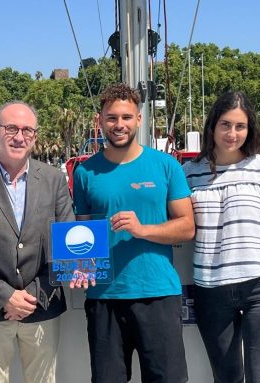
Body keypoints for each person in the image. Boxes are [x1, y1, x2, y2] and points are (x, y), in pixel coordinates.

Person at [72, 83, 195, 383]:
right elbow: (82, 234)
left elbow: (187, 226)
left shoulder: (166, 166)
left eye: (126, 117)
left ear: (139, 119)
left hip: (158, 293)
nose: (119, 125)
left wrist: (142, 229)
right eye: (111, 118)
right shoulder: (84, 172)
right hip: (104, 296)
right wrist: (78, 266)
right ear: (99, 121)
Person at [182, 91, 260, 383]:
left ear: (250, 130)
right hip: (210, 290)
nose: (232, 133)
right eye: (225, 124)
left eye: (240, 126)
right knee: (226, 378)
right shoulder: (188, 173)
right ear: (212, 126)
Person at [0, 101, 74, 383]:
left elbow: (65, 240)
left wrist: (34, 294)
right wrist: (4, 296)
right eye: (11, 128)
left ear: (34, 137)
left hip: (42, 304)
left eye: (27, 130)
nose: (19, 137)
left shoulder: (54, 180)